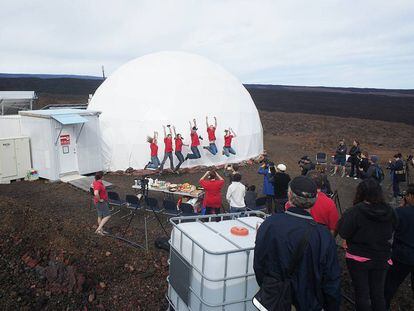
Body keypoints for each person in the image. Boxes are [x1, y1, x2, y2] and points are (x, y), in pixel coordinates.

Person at [254, 176, 341, 310]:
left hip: (275, 299)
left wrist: (269, 286)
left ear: (289, 196)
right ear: (315, 200)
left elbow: (259, 264)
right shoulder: (323, 236)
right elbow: (331, 279)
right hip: (308, 302)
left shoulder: (270, 224)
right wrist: (331, 306)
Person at [337, 178, 397, 311]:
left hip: (358, 257)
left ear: (360, 192)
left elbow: (343, 232)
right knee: (378, 293)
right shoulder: (390, 211)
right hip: (382, 257)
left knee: (362, 293)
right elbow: (394, 228)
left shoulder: (355, 211)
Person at [385, 184, 414, 308]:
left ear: (411, 196)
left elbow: (388, 231)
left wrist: (401, 208)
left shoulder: (401, 212)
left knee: (390, 284)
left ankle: (384, 305)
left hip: (402, 254)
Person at [307, 171, 339, 235]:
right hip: (321, 237)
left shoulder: (297, 199)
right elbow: (333, 229)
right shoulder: (330, 203)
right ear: (322, 183)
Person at [92, 171, 111, 235]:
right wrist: (100, 199)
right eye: (103, 175)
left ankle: (101, 231)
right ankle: (98, 229)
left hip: (97, 202)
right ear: (101, 176)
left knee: (100, 216)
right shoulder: (98, 184)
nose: (104, 176)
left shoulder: (96, 182)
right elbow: (96, 193)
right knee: (107, 215)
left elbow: (92, 186)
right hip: (100, 202)